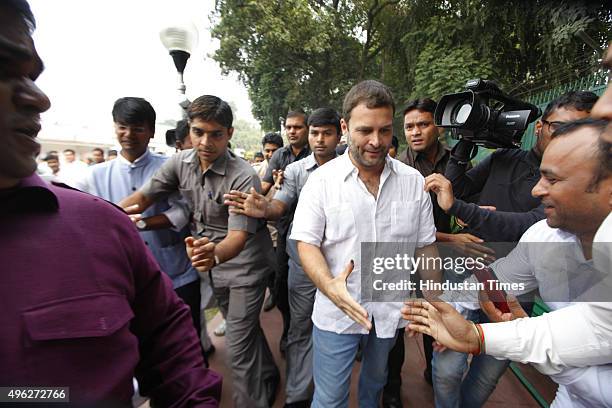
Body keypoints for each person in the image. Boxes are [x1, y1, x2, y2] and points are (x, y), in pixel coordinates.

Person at [0, 1, 221, 405]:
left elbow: (173, 355)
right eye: (4, 68)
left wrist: (134, 224)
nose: (37, 98)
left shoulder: (100, 219)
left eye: (31, 75)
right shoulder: (91, 184)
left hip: (176, 272)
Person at [407, 118, 612, 407]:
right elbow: (495, 279)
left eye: (553, 180)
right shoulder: (543, 237)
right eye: (540, 177)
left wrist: (486, 337)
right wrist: (443, 309)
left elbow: (582, 341)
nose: (536, 191)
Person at [119, 94, 280, 408]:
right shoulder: (179, 162)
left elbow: (236, 237)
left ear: (229, 134)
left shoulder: (242, 173)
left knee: (236, 344)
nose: (206, 142)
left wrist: (215, 255)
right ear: (189, 131)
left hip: (245, 265)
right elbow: (142, 198)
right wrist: (105, 216)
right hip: (213, 266)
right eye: (198, 132)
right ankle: (270, 374)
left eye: (216, 134)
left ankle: (254, 402)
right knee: (244, 331)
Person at [291, 80, 440, 407]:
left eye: (385, 131)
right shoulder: (321, 183)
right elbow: (306, 243)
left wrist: (437, 307)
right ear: (345, 127)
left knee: (375, 388)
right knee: (330, 399)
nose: (376, 142)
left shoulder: (413, 183)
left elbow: (426, 247)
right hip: (336, 312)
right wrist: (330, 286)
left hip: (390, 310)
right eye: (365, 131)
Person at [79, 97, 215, 359]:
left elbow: (183, 210)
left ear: (151, 131)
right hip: (127, 278)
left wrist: (140, 223)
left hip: (176, 273)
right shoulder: (95, 176)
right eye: (123, 127)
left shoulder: (170, 167)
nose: (129, 134)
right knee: (148, 349)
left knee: (189, 343)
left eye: (138, 128)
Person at [225, 107, 342, 407]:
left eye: (326, 133)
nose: (319, 140)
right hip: (302, 261)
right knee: (300, 327)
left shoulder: (352, 168)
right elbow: (280, 205)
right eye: (315, 133)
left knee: (341, 328)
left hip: (344, 263)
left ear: (339, 134)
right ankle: (298, 395)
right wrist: (263, 208)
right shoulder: (295, 171)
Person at [261, 110, 311, 356]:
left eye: (298, 127)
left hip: (315, 230)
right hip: (285, 229)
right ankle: (289, 328)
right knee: (281, 282)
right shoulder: (279, 156)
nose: (292, 131)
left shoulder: (318, 154)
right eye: (289, 127)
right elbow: (264, 187)